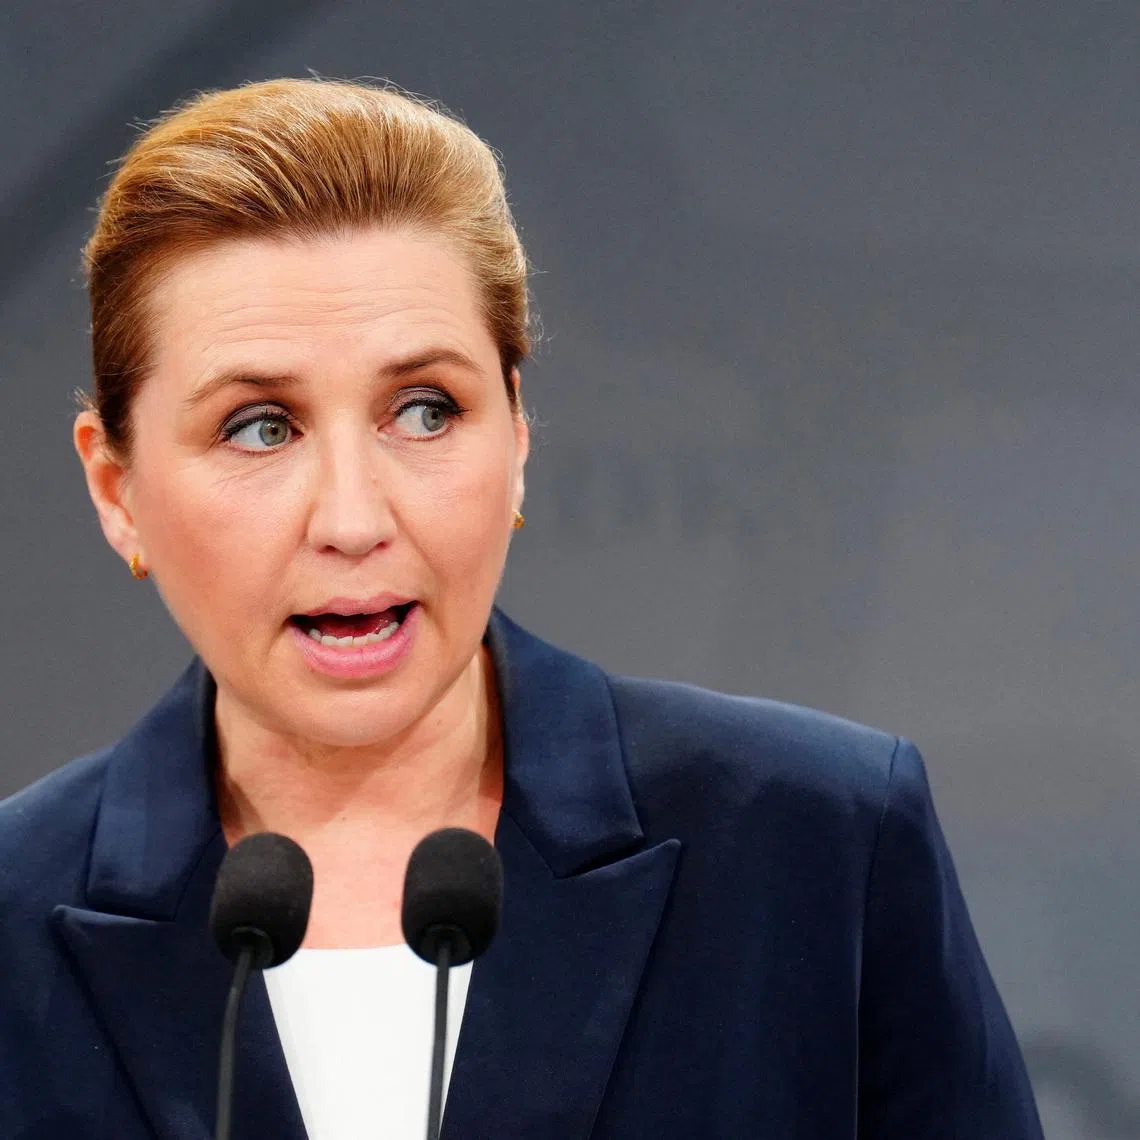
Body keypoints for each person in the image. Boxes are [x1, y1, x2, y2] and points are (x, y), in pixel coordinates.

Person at [0, 78, 1042, 1139]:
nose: (353, 519)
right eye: (260, 427)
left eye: (424, 411)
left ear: (519, 440)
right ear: (117, 491)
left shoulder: (820, 844)